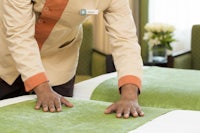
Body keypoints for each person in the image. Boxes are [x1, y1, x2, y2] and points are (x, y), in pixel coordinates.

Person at [0, 0, 144, 118]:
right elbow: (19, 34)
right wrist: (42, 87)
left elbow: (125, 40)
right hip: (7, 57)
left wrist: (130, 96)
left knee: (57, 120)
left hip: (59, 60)